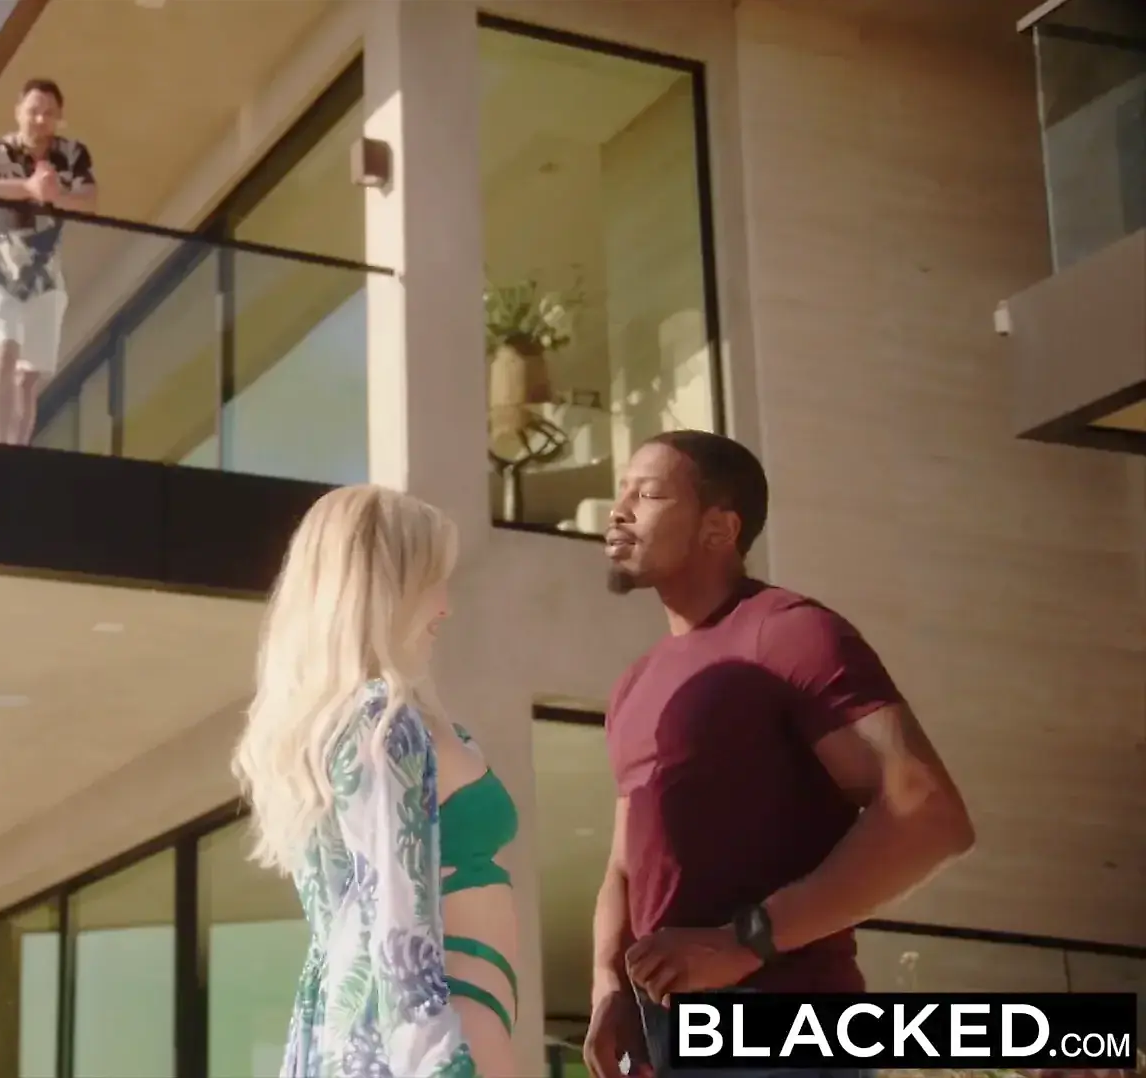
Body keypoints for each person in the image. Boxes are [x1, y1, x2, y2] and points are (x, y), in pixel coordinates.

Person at [589, 431, 976, 1078]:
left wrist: (743, 942)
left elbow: (929, 814)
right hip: (668, 1035)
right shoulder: (635, 683)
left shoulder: (790, 632)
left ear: (720, 528)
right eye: (621, 491)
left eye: (648, 494)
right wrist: (610, 987)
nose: (618, 510)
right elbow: (625, 863)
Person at [232, 484, 520, 1078]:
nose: (446, 605)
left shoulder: (342, 724)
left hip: (410, 1021)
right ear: (385, 592)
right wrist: (441, 1061)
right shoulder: (381, 723)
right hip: (451, 1019)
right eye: (432, 581)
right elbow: (396, 924)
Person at [0, 77, 96, 446]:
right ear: (18, 112)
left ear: (59, 116)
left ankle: (18, 449)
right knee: (4, 352)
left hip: (46, 278)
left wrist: (55, 195)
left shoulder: (71, 153)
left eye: (49, 113)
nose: (40, 120)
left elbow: (89, 198)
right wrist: (27, 189)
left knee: (28, 376)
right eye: (33, 111)